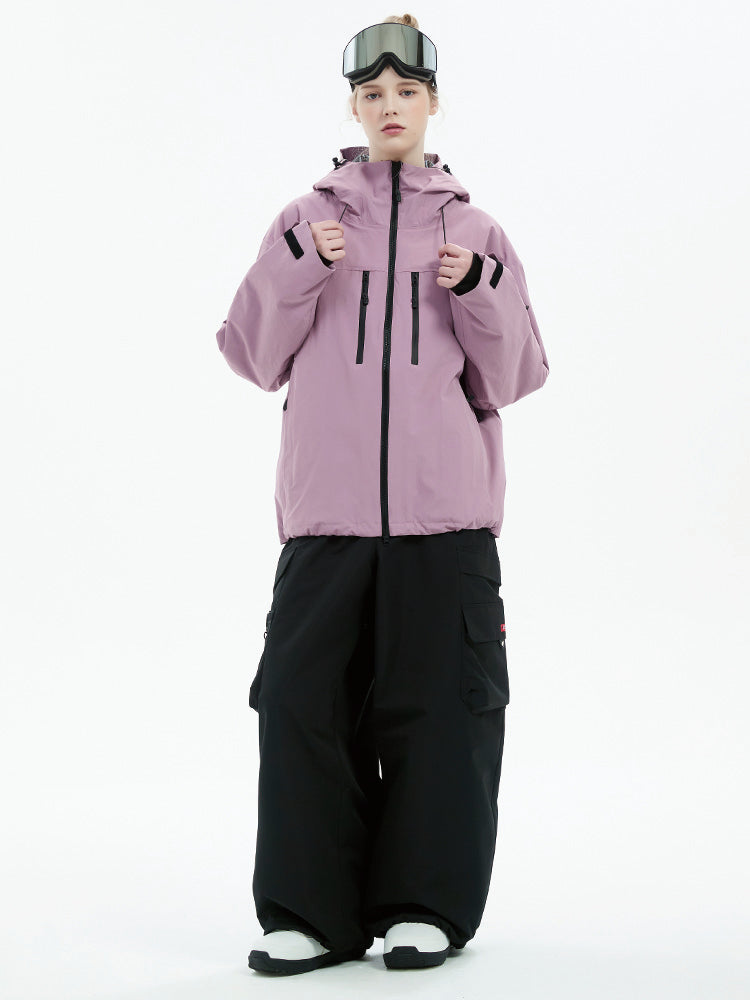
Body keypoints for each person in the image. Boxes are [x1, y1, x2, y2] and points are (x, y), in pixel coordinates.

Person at [215, 14, 550, 976]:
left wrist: (481, 287)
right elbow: (251, 356)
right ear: (354, 108)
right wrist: (296, 266)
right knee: (301, 707)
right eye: (373, 94)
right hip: (326, 517)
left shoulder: (475, 230)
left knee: (439, 714)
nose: (390, 107)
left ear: (432, 103)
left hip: (446, 519)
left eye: (406, 92)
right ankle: (310, 915)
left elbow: (517, 376)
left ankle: (422, 908)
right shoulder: (304, 221)